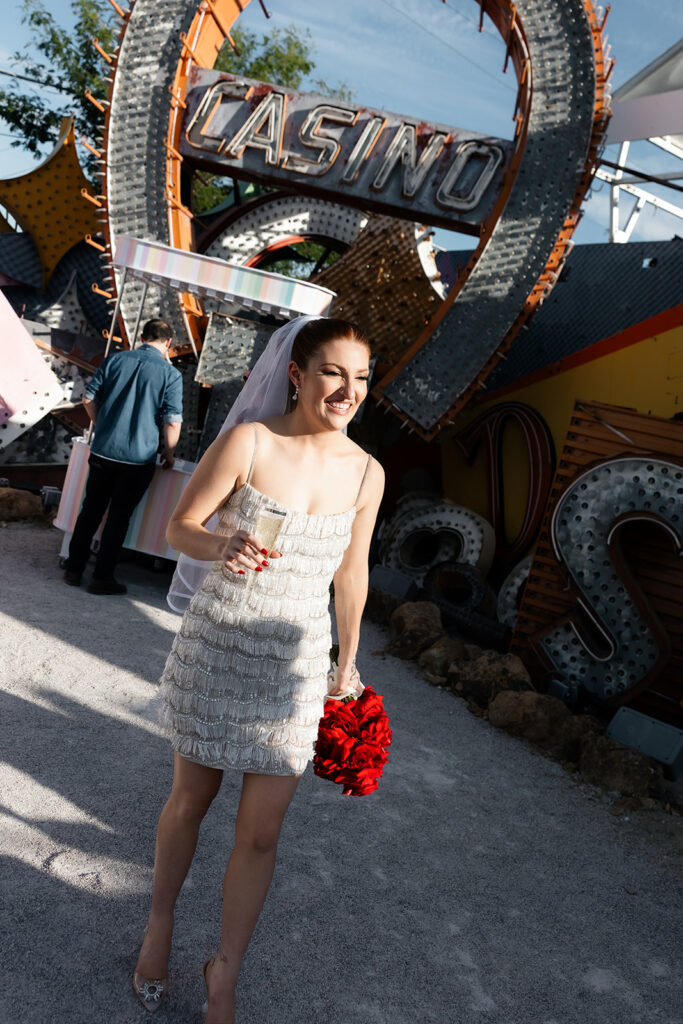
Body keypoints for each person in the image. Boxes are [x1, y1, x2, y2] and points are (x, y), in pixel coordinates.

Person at [133, 317, 384, 1022]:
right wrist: (220, 546)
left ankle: (225, 971)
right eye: (334, 372)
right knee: (190, 802)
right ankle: (159, 926)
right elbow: (180, 527)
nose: (348, 390)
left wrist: (350, 656)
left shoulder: (368, 471)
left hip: (295, 662)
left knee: (263, 831)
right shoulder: (248, 441)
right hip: (218, 645)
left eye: (361, 377)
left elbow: (352, 571)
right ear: (298, 374)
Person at [63, 319, 183, 595]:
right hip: (138, 459)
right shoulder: (170, 375)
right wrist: (169, 451)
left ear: (142, 336)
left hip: (104, 450)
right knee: (118, 519)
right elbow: (172, 421)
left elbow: (87, 398)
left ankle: (73, 569)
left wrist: (101, 424)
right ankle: (101, 578)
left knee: (90, 510)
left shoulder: (115, 360)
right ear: (168, 343)